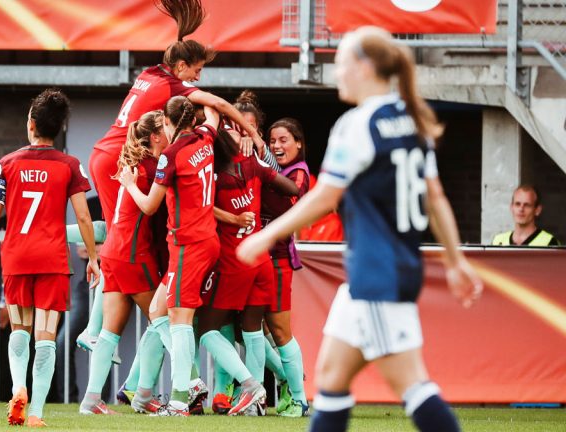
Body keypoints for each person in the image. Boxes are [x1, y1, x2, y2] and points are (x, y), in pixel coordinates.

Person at [238, 26, 483, 432]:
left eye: (340, 63)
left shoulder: (358, 124)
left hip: (377, 273)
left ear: (365, 68)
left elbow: (324, 197)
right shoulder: (412, 122)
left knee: (414, 386)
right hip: (384, 271)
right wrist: (455, 262)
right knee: (331, 378)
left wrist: (265, 235)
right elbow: (435, 198)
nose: (336, 73)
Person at [79, 0, 266, 355]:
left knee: (117, 233)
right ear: (180, 65)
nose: (198, 78)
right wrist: (254, 137)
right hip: (118, 161)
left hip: (106, 154)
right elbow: (221, 106)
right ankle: (93, 329)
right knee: (123, 238)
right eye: (196, 70)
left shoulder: (151, 73)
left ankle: (99, 331)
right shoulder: (172, 92)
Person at [0, 88, 99, 427]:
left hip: (16, 257)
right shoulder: (70, 165)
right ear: (59, 128)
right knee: (46, 339)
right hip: (52, 260)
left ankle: (18, 388)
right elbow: (84, 218)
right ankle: (36, 414)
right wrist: (92, 257)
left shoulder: (7, 164)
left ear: (30, 124)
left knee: (20, 330)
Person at [118, 96, 241, 416]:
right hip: (204, 239)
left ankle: (180, 398)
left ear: (171, 124)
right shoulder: (205, 136)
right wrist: (195, 97)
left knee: (180, 319)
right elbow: (214, 113)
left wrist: (130, 184)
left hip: (189, 243)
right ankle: (152, 391)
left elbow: (149, 206)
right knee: (159, 311)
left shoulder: (171, 155)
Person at [203, 125, 299, 415]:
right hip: (262, 260)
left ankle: (249, 387)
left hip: (234, 263)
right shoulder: (254, 165)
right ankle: (260, 401)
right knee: (252, 330)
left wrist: (233, 217)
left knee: (208, 329)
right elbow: (293, 189)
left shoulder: (213, 177)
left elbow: (202, 207)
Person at [79, 110, 168, 415]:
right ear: (155, 136)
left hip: (114, 254)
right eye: (165, 126)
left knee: (110, 331)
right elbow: (152, 208)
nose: (171, 130)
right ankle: (150, 394)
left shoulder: (135, 163)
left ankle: (91, 401)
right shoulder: (153, 167)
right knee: (163, 320)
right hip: (133, 254)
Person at [261, 117, 314, 416]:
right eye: (272, 141)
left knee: (280, 331)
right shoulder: (278, 170)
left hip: (279, 259)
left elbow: (291, 199)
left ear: (298, 143)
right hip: (261, 259)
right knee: (251, 329)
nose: (277, 146)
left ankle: (299, 398)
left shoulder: (300, 173)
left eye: (283, 140)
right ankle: (285, 377)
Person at [491, 185, 560, 246]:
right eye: (517, 204)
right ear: (511, 208)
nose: (521, 209)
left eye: (527, 205)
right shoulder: (497, 242)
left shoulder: (549, 242)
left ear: (537, 210)